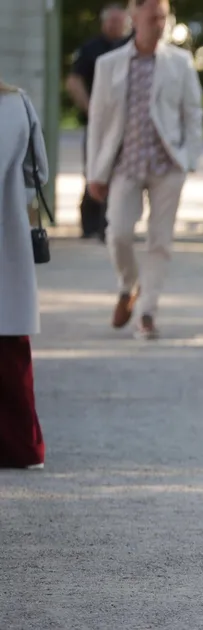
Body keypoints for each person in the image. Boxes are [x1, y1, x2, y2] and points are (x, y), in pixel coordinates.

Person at [86, 0, 203, 340]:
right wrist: (95, 173)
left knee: (160, 240)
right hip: (126, 163)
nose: (159, 23)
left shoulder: (179, 62)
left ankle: (148, 312)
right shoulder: (109, 64)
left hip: (168, 165)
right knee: (118, 234)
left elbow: (193, 113)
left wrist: (189, 158)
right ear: (133, 16)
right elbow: (98, 121)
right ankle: (129, 285)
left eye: (163, 17)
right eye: (153, 17)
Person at [0, 80, 49, 469]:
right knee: (9, 351)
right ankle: (19, 446)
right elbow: (38, 173)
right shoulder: (16, 103)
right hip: (6, 239)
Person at [65, 3, 131, 242]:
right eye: (112, 22)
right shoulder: (90, 49)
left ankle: (112, 225)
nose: (116, 26)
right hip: (99, 123)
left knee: (123, 175)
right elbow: (74, 81)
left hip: (127, 123)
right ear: (104, 23)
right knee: (95, 170)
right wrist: (91, 108)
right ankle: (90, 224)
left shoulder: (132, 46)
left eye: (120, 22)